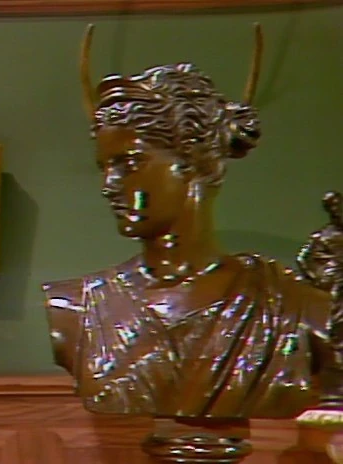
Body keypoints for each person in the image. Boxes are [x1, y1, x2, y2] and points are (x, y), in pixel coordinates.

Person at [42, 24, 343, 420]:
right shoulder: (75, 306)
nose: (108, 186)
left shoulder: (291, 305)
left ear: (192, 162)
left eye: (129, 163)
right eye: (104, 168)